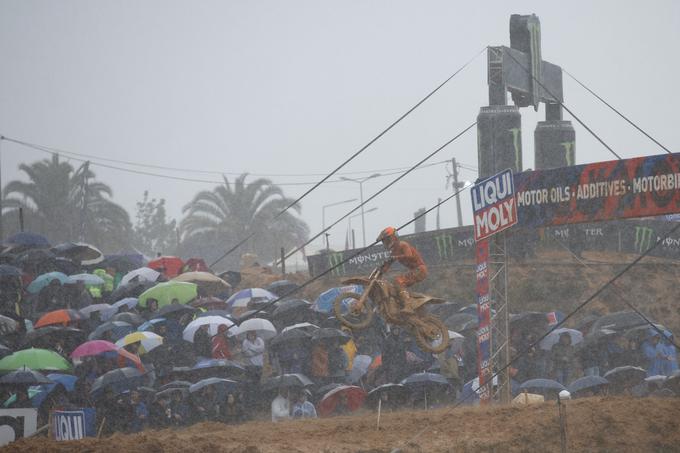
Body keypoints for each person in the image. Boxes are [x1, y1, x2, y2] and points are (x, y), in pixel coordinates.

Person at [377, 227, 428, 312]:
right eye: (384, 241)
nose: (386, 243)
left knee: (398, 281)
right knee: (393, 287)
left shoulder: (403, 244)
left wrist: (395, 257)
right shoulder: (394, 251)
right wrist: (381, 269)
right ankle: (401, 303)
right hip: (416, 270)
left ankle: (408, 306)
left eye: (387, 240)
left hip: (420, 269)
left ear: (393, 238)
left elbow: (409, 255)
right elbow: (388, 265)